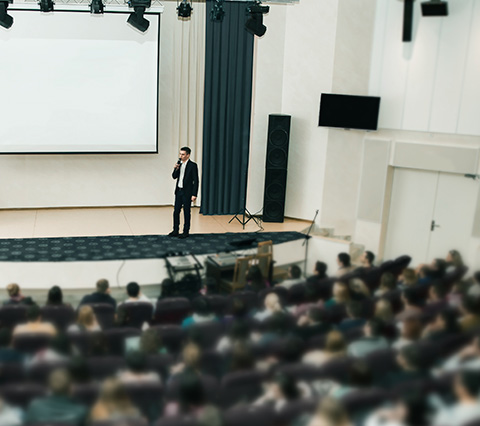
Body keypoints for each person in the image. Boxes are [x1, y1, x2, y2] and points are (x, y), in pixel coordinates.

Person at [169, 146, 199, 239]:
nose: (180, 156)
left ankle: (186, 231)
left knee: (186, 212)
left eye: (183, 154)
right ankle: (175, 230)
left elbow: (196, 181)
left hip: (187, 193)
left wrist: (194, 194)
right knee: (176, 211)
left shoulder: (192, 165)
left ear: (188, 155)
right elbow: (174, 176)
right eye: (180, 154)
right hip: (179, 191)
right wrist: (176, 168)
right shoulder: (179, 164)